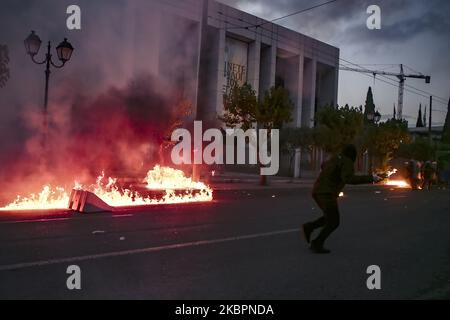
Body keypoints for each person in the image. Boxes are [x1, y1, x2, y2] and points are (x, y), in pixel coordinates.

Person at [302, 144, 381, 254]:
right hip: (327, 194)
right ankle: (316, 243)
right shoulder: (347, 162)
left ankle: (309, 227)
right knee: (334, 221)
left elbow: (323, 165)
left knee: (330, 217)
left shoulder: (334, 159)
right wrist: (371, 178)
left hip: (317, 191)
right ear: (353, 155)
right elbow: (348, 178)